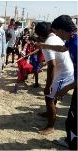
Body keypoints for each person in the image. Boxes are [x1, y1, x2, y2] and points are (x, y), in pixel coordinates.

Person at [36, 15, 77, 149]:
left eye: (56, 31)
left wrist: (50, 86)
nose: (56, 34)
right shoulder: (67, 39)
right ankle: (49, 113)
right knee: (53, 97)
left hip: (65, 74)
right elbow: (63, 49)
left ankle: (50, 126)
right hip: (68, 71)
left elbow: (52, 66)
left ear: (62, 30)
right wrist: (43, 45)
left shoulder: (74, 43)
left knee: (49, 97)